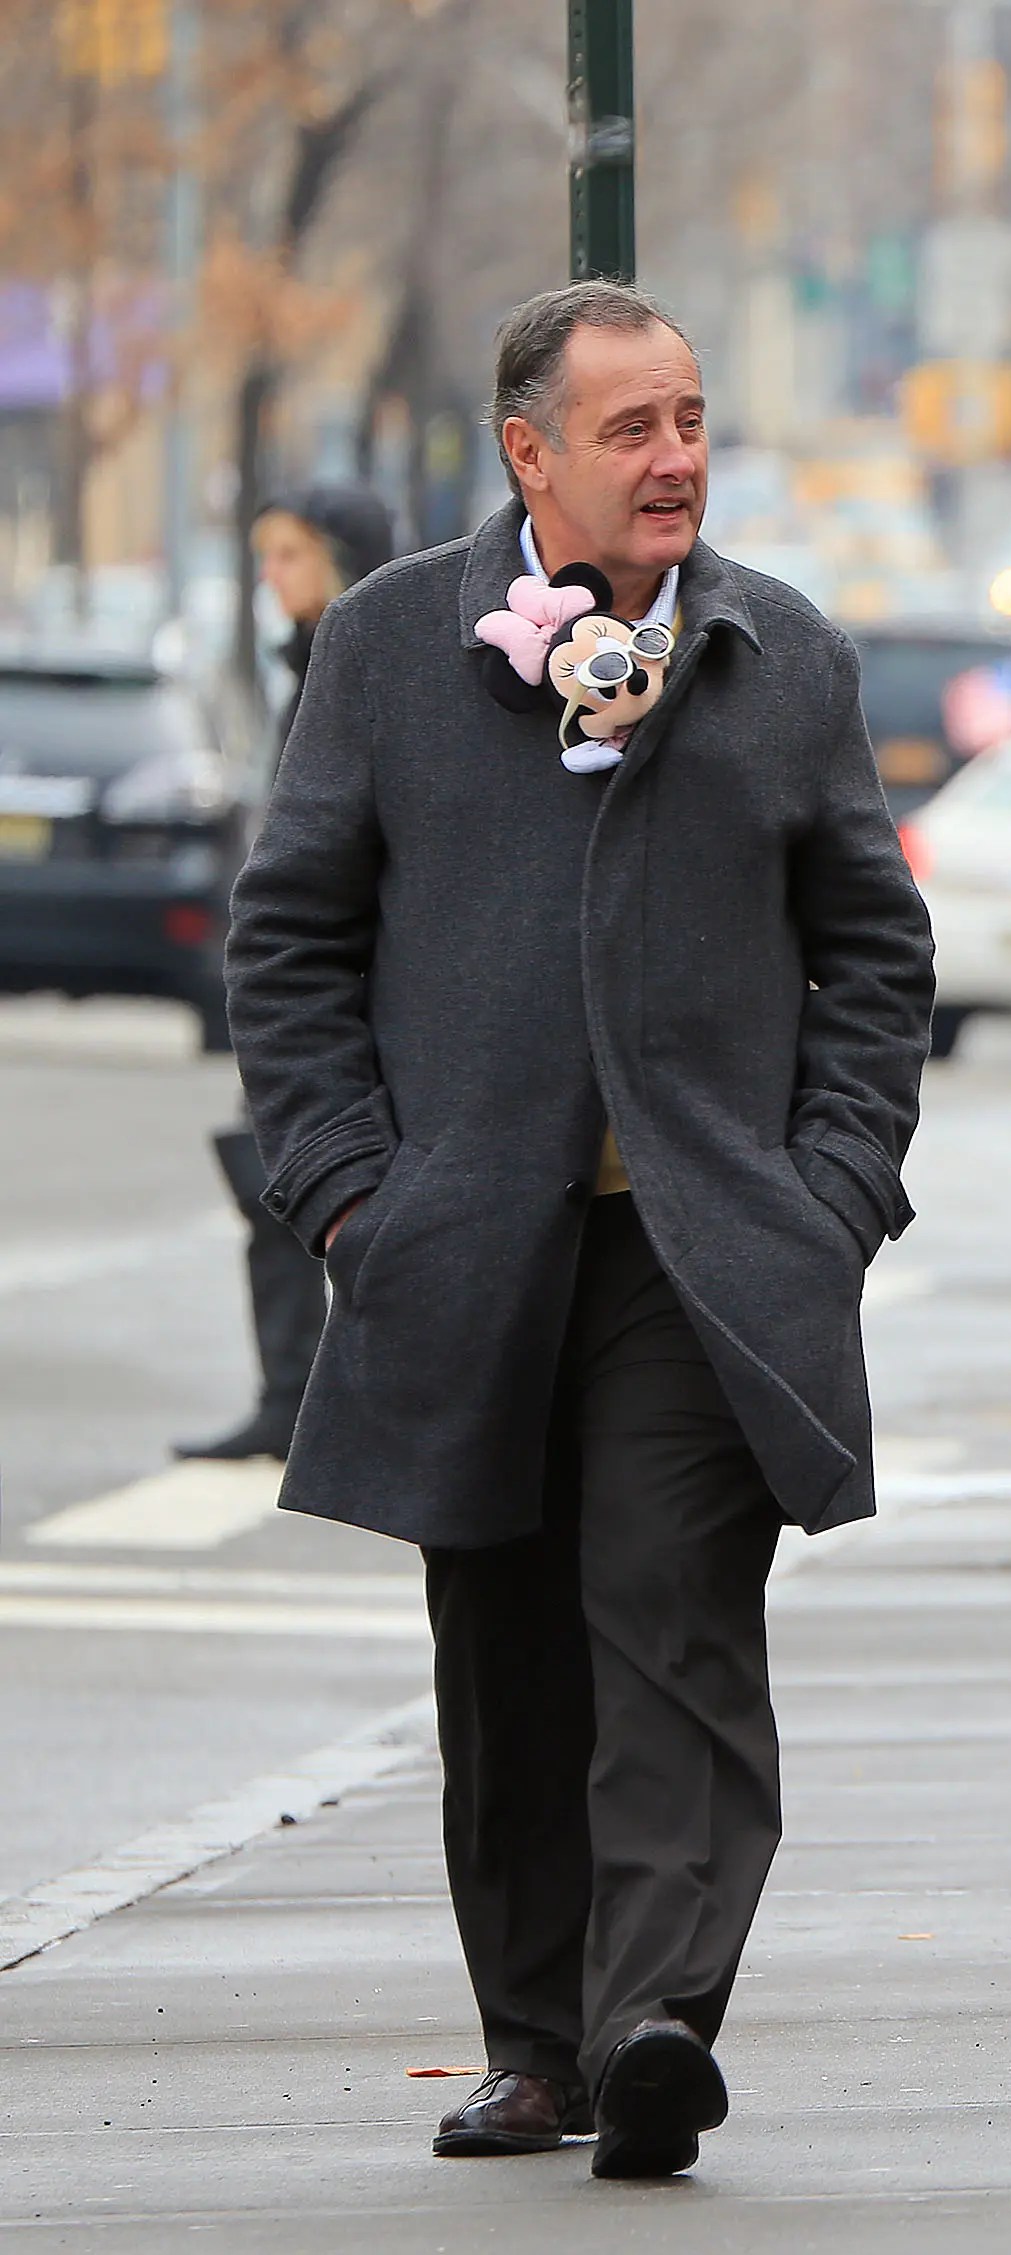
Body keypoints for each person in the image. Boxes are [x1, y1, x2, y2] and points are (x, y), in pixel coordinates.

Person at [225, 280, 934, 2179]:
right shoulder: (389, 646)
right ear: (527, 451)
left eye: (693, 418)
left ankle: (652, 2022)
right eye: (633, 428)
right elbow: (290, 939)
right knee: (509, 1642)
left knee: (675, 1612)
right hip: (465, 1240)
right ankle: (534, 2039)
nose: (678, 456)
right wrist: (351, 1194)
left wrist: (836, 1188)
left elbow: (874, 951)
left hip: (705, 1253)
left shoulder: (784, 654)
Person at [177, 485, 395, 1462]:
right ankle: (294, 1395)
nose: (272, 578)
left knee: (330, 1183)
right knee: (274, 1179)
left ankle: (341, 1402)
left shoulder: (373, 663)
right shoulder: (305, 662)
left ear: (343, 560)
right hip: (305, 971)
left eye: (290, 556)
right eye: (264, 556)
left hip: (364, 978)